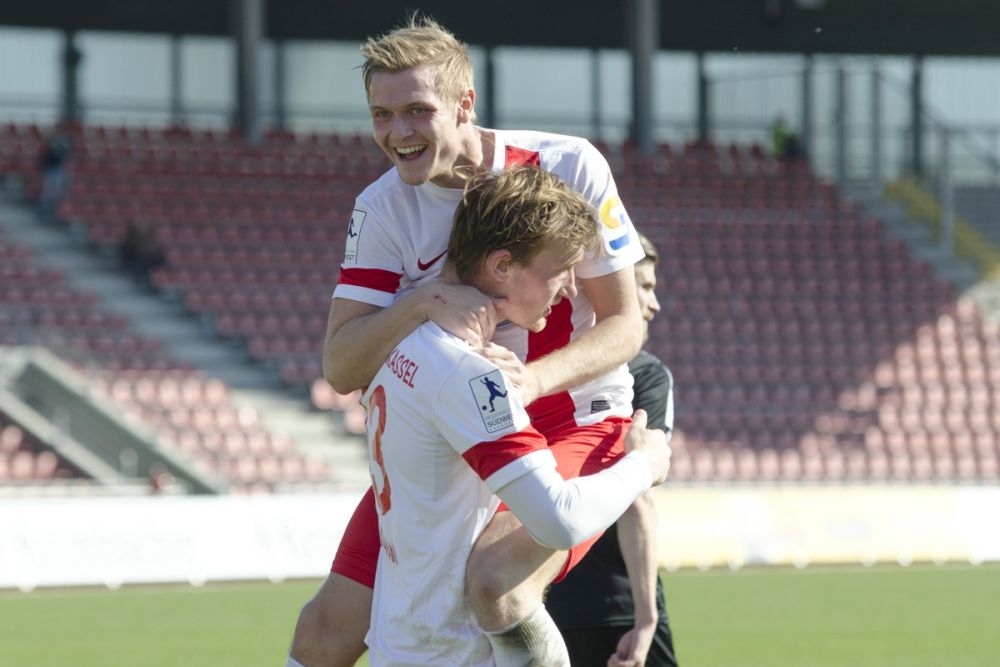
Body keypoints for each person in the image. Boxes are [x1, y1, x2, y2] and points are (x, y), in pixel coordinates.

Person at [287, 15, 651, 667]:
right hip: (458, 435)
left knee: (496, 585)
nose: (398, 133)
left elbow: (627, 324)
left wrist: (533, 380)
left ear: (465, 104)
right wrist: (421, 300)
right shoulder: (381, 209)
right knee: (324, 632)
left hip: (573, 421)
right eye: (381, 114)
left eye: (417, 110)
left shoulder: (568, 166)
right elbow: (341, 363)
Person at [362, 166, 672, 666]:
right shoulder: (469, 374)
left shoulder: (400, 342)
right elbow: (559, 519)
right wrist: (645, 466)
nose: (571, 287)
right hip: (454, 650)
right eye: (560, 268)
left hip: (398, 643)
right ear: (503, 266)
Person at [546, 232, 681, 667]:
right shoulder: (645, 375)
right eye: (644, 286)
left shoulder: (536, 366)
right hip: (619, 606)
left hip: (537, 598)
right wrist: (646, 619)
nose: (654, 303)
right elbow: (638, 500)